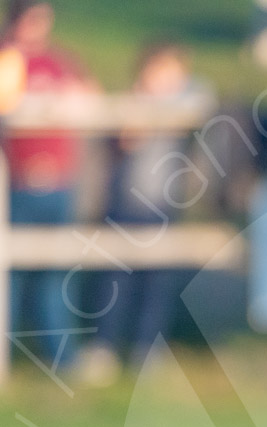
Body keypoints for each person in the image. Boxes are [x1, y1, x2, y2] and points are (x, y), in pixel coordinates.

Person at [0, 1, 94, 370]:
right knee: (5, 277)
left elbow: (89, 97)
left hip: (57, 185)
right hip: (9, 185)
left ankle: (62, 360)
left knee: (55, 277)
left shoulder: (57, 62)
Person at [76, 41, 202, 385]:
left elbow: (205, 99)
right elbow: (122, 141)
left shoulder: (185, 106)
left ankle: (147, 348)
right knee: (114, 279)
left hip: (163, 206)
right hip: (124, 205)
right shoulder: (129, 105)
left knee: (156, 282)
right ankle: (104, 347)